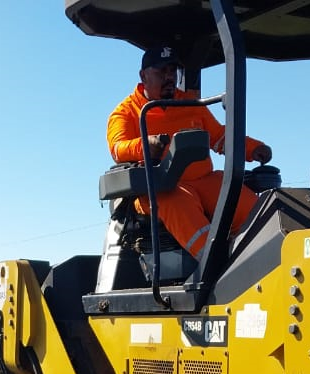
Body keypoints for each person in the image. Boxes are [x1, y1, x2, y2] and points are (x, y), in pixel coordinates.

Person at [106, 46, 272, 256]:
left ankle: (262, 254)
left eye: (172, 71)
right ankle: (214, 262)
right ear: (143, 76)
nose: (169, 77)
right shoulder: (126, 113)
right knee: (176, 202)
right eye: (161, 72)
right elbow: (118, 148)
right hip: (161, 187)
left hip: (204, 180)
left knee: (241, 200)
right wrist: (145, 145)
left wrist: (252, 148)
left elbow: (219, 136)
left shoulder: (190, 104)